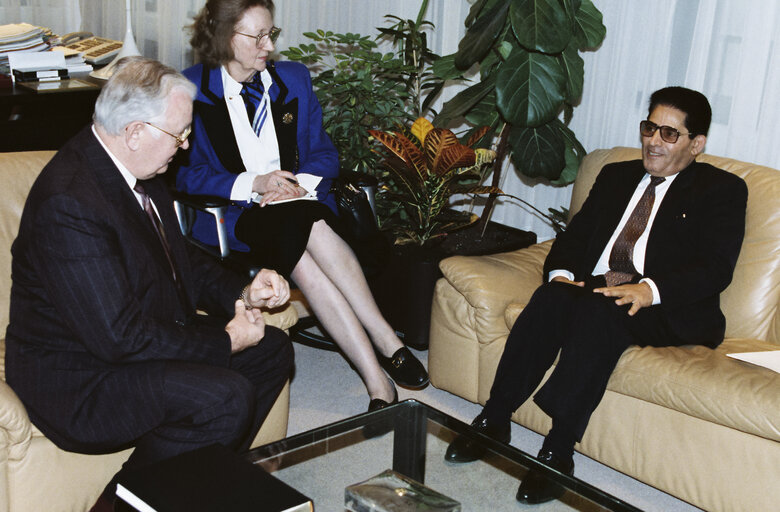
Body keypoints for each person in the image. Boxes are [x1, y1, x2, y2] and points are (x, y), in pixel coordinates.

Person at [4, 56, 295, 511]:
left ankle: (196, 482)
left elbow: (182, 262)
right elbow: (121, 339)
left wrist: (243, 290)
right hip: (78, 377)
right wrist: (225, 341)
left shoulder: (139, 168)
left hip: (128, 339)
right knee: (224, 397)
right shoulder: (70, 202)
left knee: (272, 350)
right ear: (135, 131)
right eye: (178, 133)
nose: (184, 144)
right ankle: (121, 506)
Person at [444, 87, 748, 504]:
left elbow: (715, 267)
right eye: (649, 128)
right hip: (596, 286)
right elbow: (576, 236)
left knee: (599, 311)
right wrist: (562, 276)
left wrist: (648, 289)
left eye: (669, 134)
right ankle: (494, 418)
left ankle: (558, 449)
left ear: (696, 144)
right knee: (552, 297)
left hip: (662, 302)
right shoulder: (616, 175)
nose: (653, 141)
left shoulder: (723, 190)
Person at [176, 0, 428, 410]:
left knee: (303, 249)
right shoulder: (191, 90)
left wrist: (296, 186)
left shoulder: (292, 79)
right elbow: (186, 173)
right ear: (224, 38)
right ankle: (385, 340)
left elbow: (324, 155)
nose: (267, 45)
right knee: (303, 232)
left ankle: (377, 382)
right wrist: (254, 183)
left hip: (301, 204)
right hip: (241, 215)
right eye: (256, 36)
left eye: (270, 33)